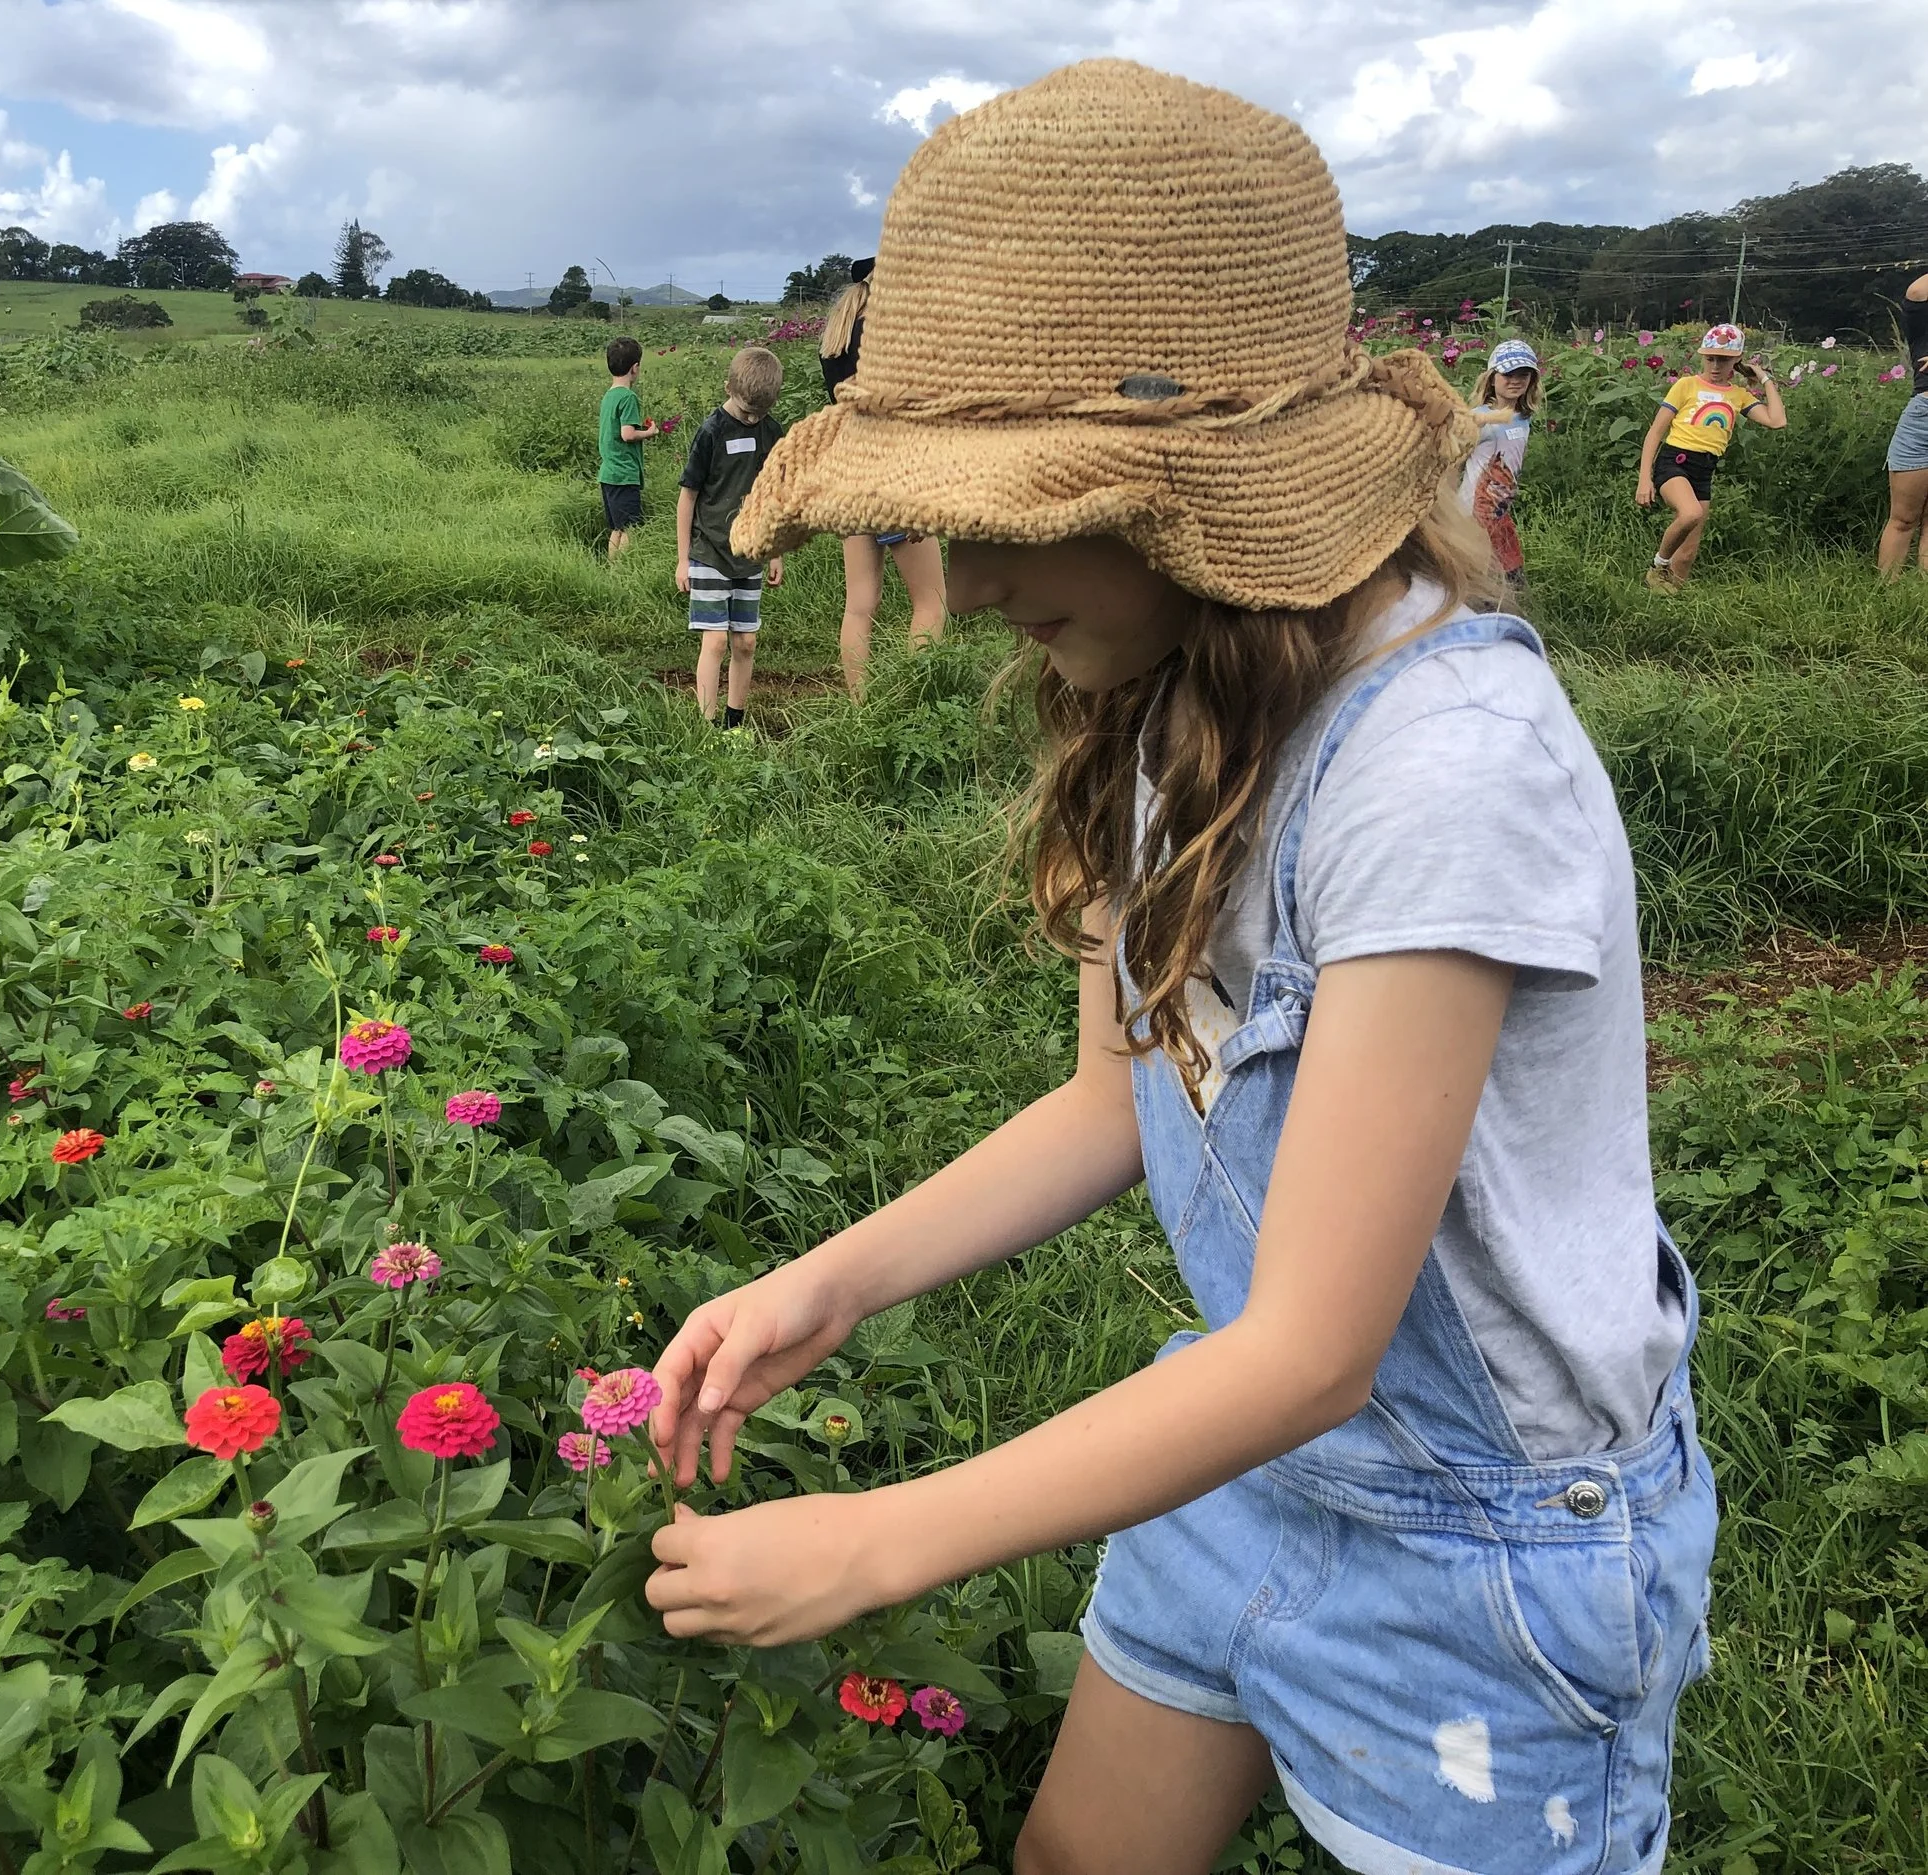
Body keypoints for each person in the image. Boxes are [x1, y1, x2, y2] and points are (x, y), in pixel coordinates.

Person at [645, 60, 1714, 1875]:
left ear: (1198, 497)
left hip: (1485, 1542)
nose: (973, 584)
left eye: (1013, 517)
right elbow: (1112, 1099)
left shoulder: (1444, 767)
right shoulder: (1166, 703)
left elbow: (1314, 1347)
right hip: (1234, 1445)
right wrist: (833, 1282)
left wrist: (877, 1540)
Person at [818, 256, 949, 697]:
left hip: (849, 469)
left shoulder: (837, 338)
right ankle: (911, 704)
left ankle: (861, 707)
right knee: (931, 601)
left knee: (859, 604)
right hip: (892, 471)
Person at [675, 346, 786, 729]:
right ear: (728, 389)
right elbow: (688, 496)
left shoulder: (772, 433)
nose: (753, 419)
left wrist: (775, 551)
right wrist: (683, 559)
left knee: (745, 642)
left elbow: (773, 495)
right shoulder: (711, 432)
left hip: (750, 554)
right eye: (746, 411)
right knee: (716, 641)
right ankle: (706, 728)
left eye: (760, 413)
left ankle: (734, 722)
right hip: (709, 551)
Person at [1634, 323, 1785, 590]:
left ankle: (1668, 601)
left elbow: (1777, 421)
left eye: (1723, 360)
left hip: (1704, 469)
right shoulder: (1686, 385)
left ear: (1737, 359)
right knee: (1690, 513)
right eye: (1710, 358)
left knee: (1687, 554)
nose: (1715, 366)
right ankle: (1657, 566)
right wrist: (1644, 479)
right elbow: (1655, 433)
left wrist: (1764, 378)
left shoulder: (1738, 395)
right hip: (1675, 461)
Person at [1461, 337, 1541, 590]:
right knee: (1481, 578)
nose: (1515, 381)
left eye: (1523, 374)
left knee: (1509, 574)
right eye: (1508, 374)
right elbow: (1452, 458)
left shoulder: (1523, 417)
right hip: (1475, 513)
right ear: (1492, 378)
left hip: (1500, 510)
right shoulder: (1480, 419)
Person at [1879, 270, 1928, 580]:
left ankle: (1921, 596)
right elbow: (1918, 291)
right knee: (1903, 519)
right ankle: (1885, 595)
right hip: (1923, 420)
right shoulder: (1923, 318)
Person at [597, 335, 652, 558]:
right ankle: (626, 568)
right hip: (624, 474)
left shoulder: (609, 396)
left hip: (608, 474)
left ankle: (613, 569)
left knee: (616, 528)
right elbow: (627, 434)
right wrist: (649, 432)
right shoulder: (628, 397)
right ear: (635, 368)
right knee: (630, 529)